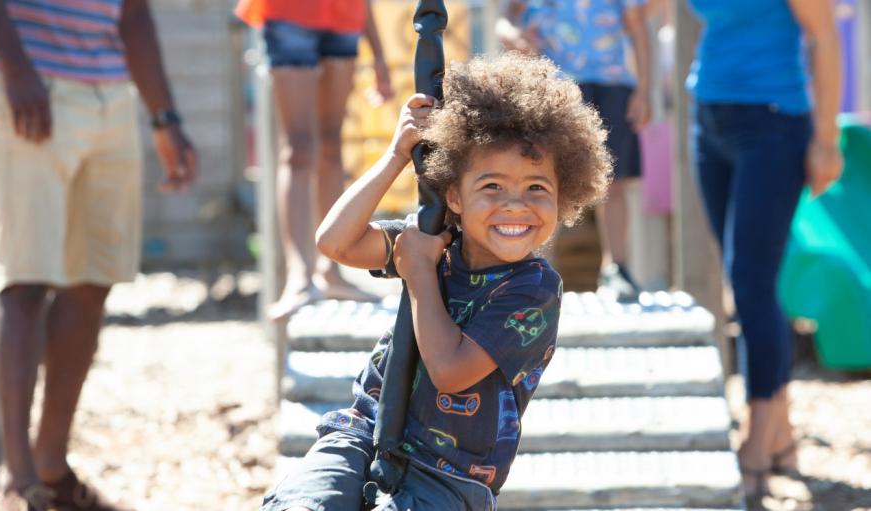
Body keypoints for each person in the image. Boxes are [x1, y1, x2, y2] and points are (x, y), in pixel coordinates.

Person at [261, 53, 611, 511]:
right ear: (454, 195)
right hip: (362, 431)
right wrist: (394, 158)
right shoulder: (431, 239)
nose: (515, 205)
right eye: (492, 187)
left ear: (563, 195)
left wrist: (420, 272)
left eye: (536, 189)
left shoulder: (533, 290)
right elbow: (336, 242)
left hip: (449, 476)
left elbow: (450, 372)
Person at [0, 0, 198, 508]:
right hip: (27, 80)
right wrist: (16, 66)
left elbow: (133, 11)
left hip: (109, 91)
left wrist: (165, 118)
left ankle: (51, 468)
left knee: (93, 281)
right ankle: (18, 481)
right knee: (25, 276)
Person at [686, 0, 842, 499]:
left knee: (752, 284)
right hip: (708, 118)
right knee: (747, 284)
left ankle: (757, 441)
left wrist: (826, 139)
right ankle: (781, 436)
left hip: (773, 123)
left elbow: (825, 38)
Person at [235, 0, 394, 320]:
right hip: (289, 14)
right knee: (298, 148)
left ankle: (331, 271)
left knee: (331, 144)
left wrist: (379, 54)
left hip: (345, 17)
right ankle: (299, 277)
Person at [497, 0, 652, 301]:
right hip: (553, 85)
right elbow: (505, 17)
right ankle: (537, 267)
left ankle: (616, 268)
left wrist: (644, 90)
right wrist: (512, 36)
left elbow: (638, 28)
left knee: (614, 181)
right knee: (543, 178)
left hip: (612, 83)